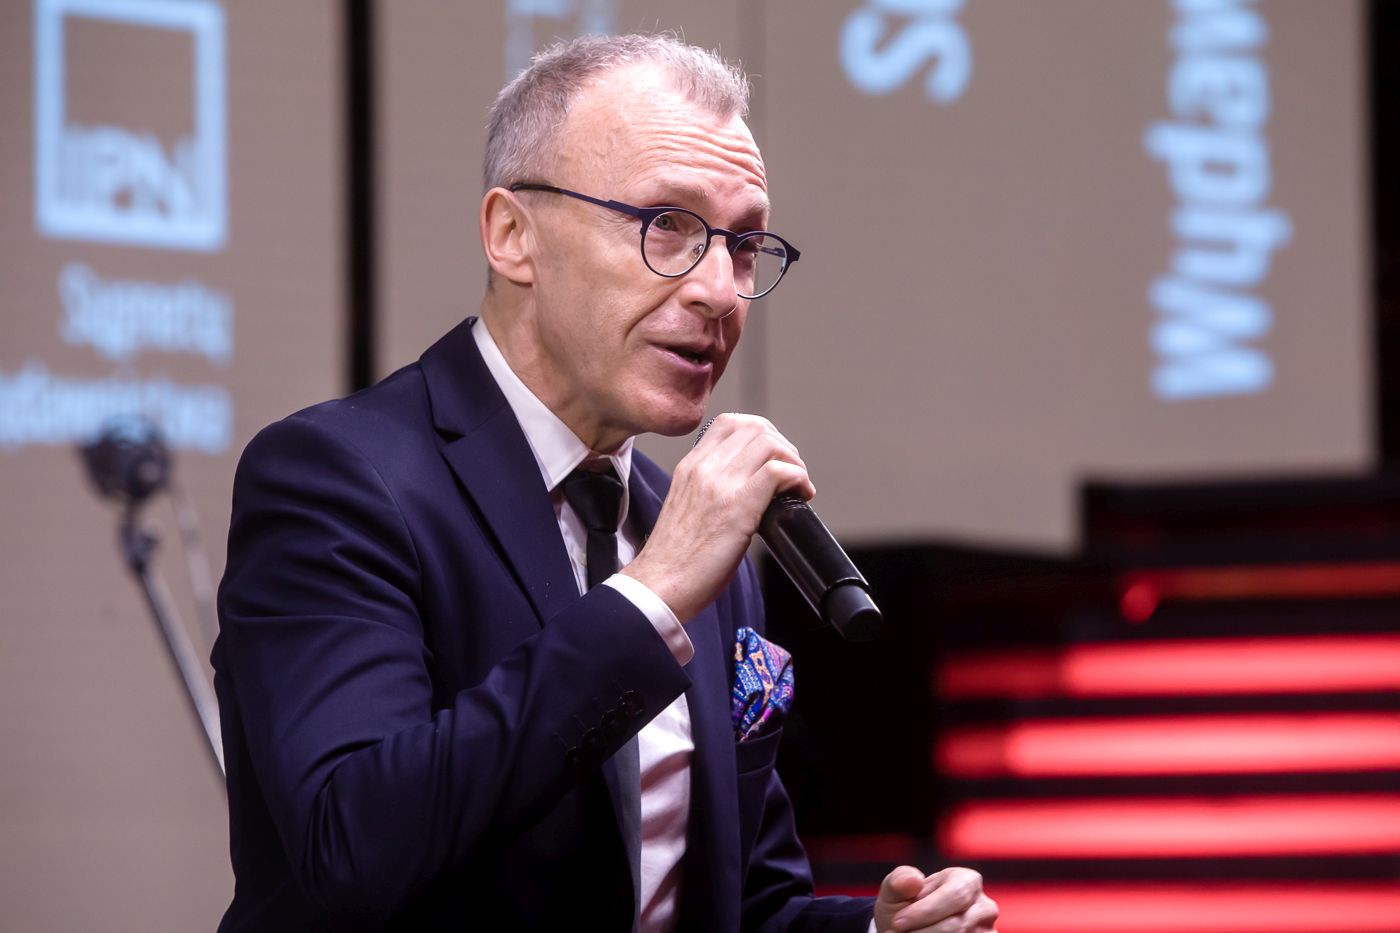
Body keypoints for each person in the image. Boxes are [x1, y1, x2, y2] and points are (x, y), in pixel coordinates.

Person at [213, 33, 999, 933]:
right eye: (667, 224)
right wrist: (651, 596)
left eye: (744, 245)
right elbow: (355, 846)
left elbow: (741, 901)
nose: (719, 290)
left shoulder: (693, 536)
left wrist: (873, 930)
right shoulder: (337, 479)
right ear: (513, 236)